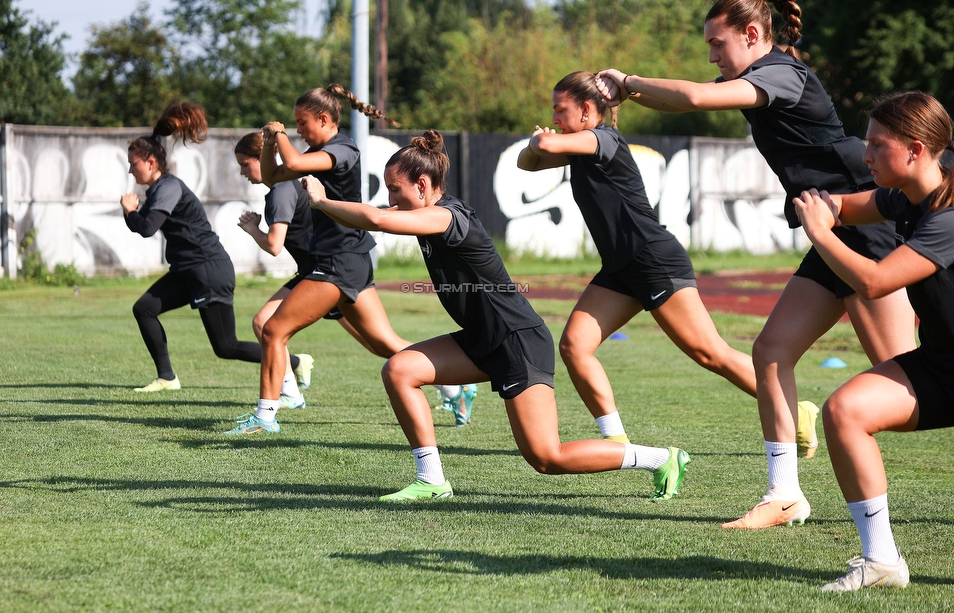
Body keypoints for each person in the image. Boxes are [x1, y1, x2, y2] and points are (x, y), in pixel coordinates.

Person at [595, 0, 916, 529]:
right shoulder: (759, 75)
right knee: (770, 352)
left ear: (752, 35)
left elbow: (695, 97)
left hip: (864, 230)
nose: (713, 56)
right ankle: (784, 494)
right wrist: (629, 94)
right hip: (828, 231)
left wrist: (626, 81)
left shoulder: (783, 75)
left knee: (914, 380)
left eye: (718, 45)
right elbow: (687, 95)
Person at [304, 129, 691, 501]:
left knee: (546, 457)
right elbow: (377, 217)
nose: (390, 198)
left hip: (517, 340)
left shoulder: (447, 217)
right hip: (482, 338)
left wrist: (322, 202)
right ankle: (431, 480)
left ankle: (661, 457)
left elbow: (375, 220)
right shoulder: (426, 214)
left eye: (395, 190)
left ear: (422, 186)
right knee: (400, 370)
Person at [518, 70, 816, 453]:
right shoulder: (578, 146)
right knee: (575, 345)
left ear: (588, 110)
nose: (556, 118)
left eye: (561, 110)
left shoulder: (602, 140)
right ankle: (617, 440)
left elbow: (543, 145)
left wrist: (540, 139)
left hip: (654, 260)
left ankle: (800, 412)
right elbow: (529, 163)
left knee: (711, 353)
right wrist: (537, 144)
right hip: (622, 269)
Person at [225, 86, 474, 434]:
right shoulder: (317, 150)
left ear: (325, 119)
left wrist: (279, 134)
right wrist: (268, 144)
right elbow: (272, 175)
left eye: (303, 123)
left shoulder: (341, 148)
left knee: (272, 329)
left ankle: (265, 417)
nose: (298, 130)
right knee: (383, 344)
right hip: (346, 260)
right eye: (294, 124)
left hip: (338, 261)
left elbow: (292, 163)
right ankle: (454, 386)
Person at [794, 91, 953, 591]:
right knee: (845, 411)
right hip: (942, 365)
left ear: (916, 148)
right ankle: (881, 560)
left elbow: (875, 283)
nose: (865, 156)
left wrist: (821, 234)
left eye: (876, 146)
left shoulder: (948, 216)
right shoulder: (903, 197)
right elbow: (843, 206)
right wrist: (818, 204)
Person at [122, 103, 264, 391]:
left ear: (150, 163)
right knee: (144, 309)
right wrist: (132, 213)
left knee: (225, 346)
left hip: (207, 269)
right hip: (188, 271)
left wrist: (130, 211)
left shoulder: (169, 187)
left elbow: (147, 228)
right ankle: (167, 378)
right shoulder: (157, 190)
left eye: (133, 162)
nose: (130, 168)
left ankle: (293, 361)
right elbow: (143, 225)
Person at [234, 131, 371, 407]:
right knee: (377, 343)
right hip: (319, 270)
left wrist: (252, 230)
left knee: (377, 343)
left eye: (245, 164)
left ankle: (286, 397)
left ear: (263, 157)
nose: (242, 173)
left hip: (326, 273)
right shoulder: (284, 186)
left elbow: (274, 245)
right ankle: (290, 393)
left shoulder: (281, 190)